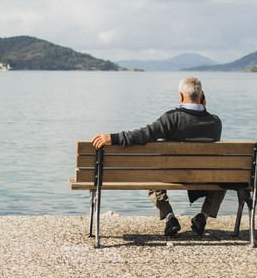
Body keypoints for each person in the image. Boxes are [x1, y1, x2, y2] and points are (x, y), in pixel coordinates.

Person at [91, 76, 225, 237]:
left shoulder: (172, 118)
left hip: (171, 175)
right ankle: (202, 216)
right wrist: (204, 109)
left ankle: (170, 217)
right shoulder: (215, 122)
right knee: (228, 176)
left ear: (181, 96)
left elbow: (144, 135)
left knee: (152, 176)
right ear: (201, 96)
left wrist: (114, 138)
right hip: (204, 177)